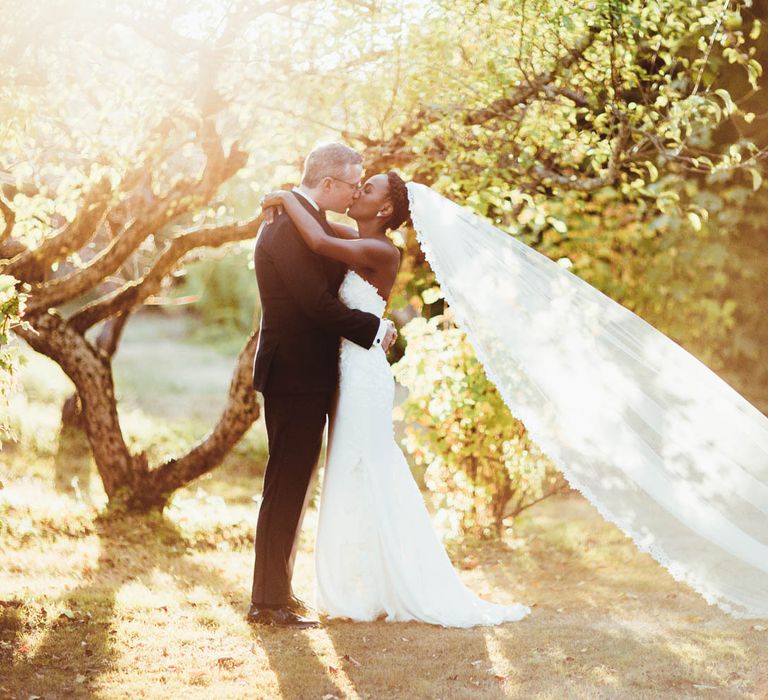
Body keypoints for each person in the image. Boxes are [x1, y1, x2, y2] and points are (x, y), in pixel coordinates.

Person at [260, 172, 531, 627]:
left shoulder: (380, 249)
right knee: (350, 470)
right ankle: (360, 582)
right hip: (345, 371)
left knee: (368, 465)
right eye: (358, 184)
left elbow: (319, 242)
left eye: (368, 189)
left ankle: (396, 581)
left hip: (363, 375)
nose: (358, 190)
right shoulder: (357, 236)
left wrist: (287, 195)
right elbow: (322, 232)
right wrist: (296, 202)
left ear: (385, 209)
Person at [248, 143, 397, 629]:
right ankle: (267, 604)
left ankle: (278, 594)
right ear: (328, 183)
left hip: (310, 372)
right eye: (354, 183)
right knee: (286, 483)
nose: (357, 191)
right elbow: (314, 304)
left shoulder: (304, 218)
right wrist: (375, 330)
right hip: (293, 373)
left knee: (294, 482)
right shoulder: (287, 226)